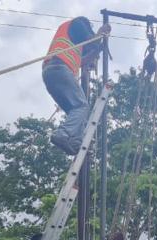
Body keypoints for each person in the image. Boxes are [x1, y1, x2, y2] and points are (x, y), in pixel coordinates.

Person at [42, 17, 109, 155]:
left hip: (52, 73)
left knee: (76, 111)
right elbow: (92, 42)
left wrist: (96, 52)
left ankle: (75, 142)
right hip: (59, 68)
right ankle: (64, 134)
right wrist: (101, 33)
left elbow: (83, 60)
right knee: (82, 106)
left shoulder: (73, 43)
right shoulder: (79, 23)